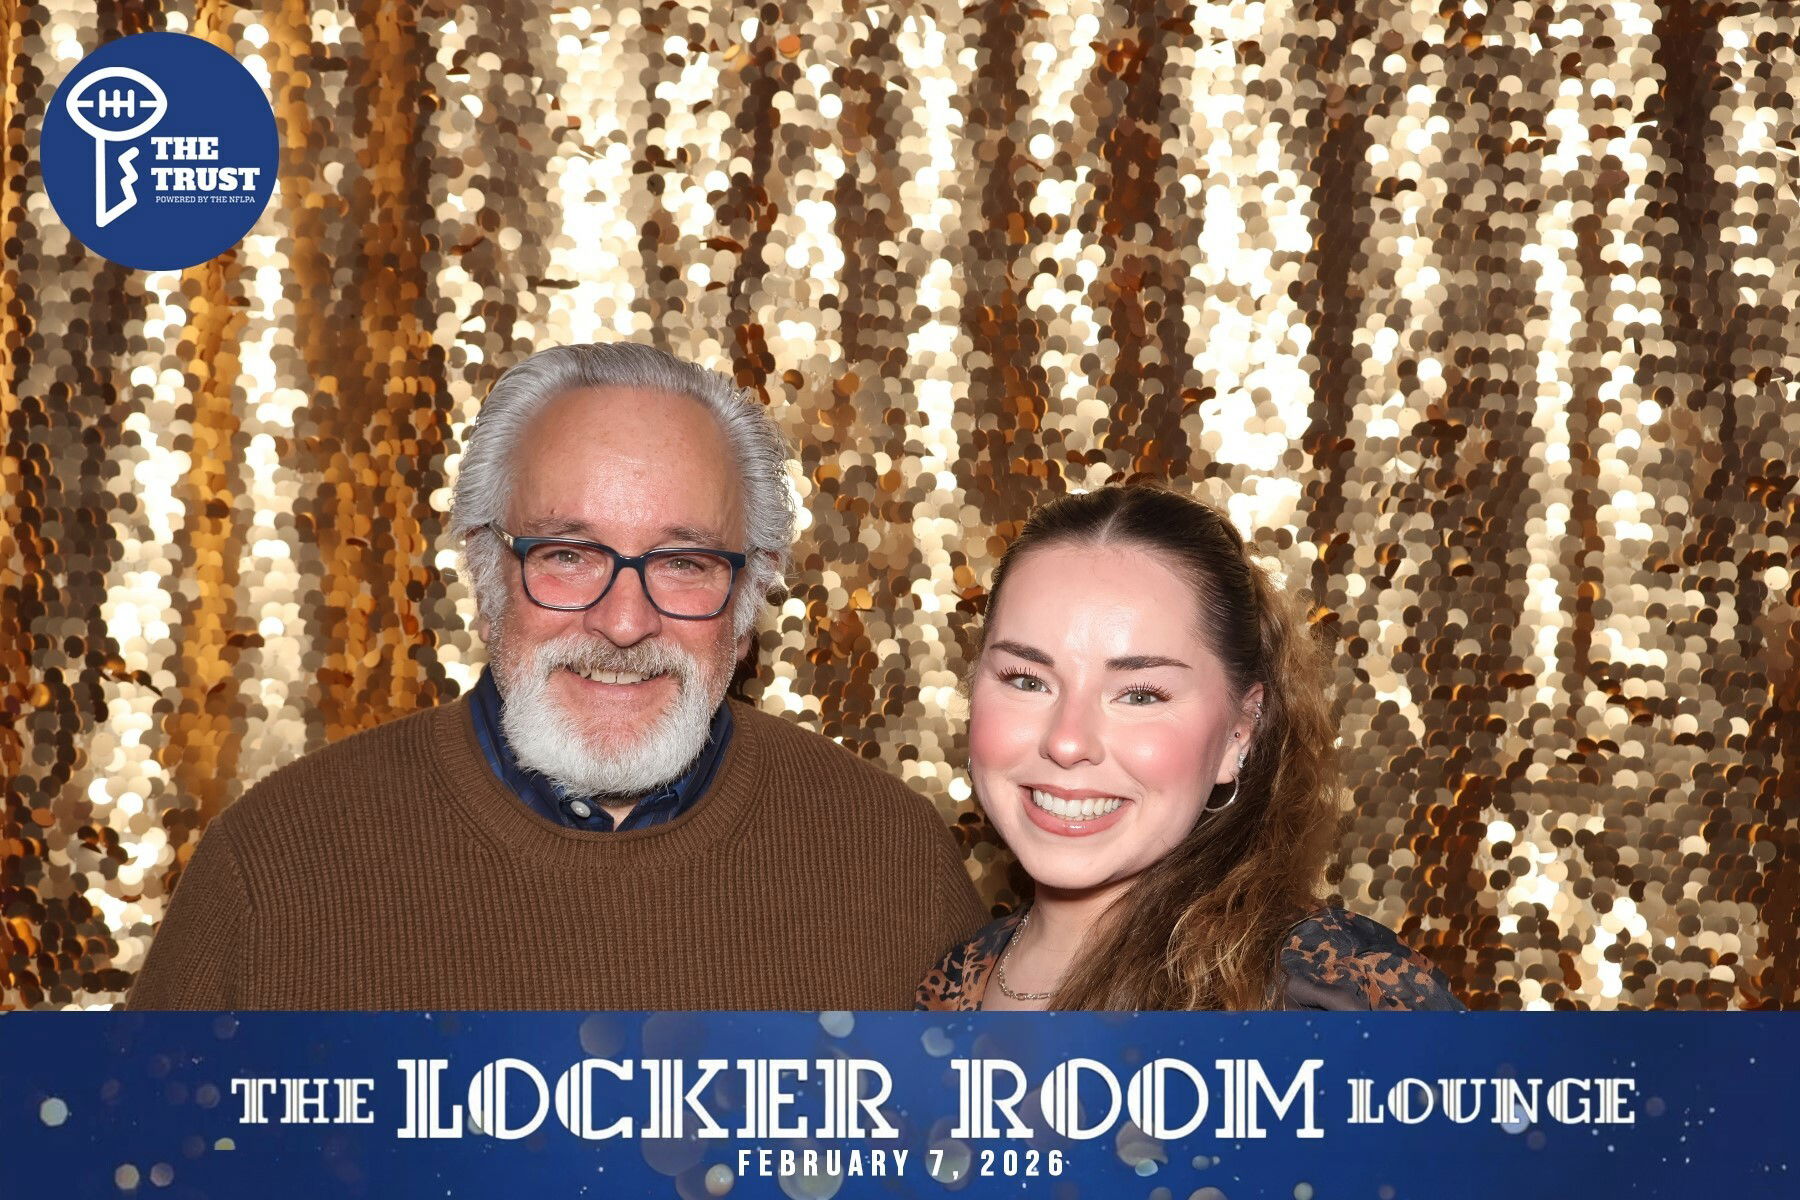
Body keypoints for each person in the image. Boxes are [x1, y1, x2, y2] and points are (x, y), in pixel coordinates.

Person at [130, 342, 985, 1009]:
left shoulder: (894, 858)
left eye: (684, 562)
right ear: (485, 571)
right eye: (568, 555)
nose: (624, 622)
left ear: (751, 593)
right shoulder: (275, 861)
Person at [916, 485, 1463, 1011]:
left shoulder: (1332, 989)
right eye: (1027, 680)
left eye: (1139, 694)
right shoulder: (950, 980)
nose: (1066, 741)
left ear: (1239, 731)